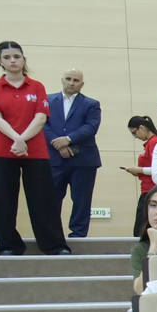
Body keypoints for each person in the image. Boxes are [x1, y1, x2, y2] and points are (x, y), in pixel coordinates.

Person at [0, 41, 71, 255]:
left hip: (34, 150)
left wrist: (22, 139)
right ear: (0, 61)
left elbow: (41, 117)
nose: (12, 61)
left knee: (43, 198)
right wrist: (16, 139)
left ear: (23, 59)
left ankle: (54, 245)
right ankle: (8, 245)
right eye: (7, 57)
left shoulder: (37, 86)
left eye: (16, 56)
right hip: (1, 150)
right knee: (3, 198)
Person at [46, 68, 101, 239]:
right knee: (51, 200)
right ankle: (52, 237)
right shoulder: (47, 100)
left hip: (83, 161)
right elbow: (42, 125)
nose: (71, 83)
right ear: (62, 80)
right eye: (68, 79)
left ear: (82, 84)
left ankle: (78, 237)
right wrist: (58, 144)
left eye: (76, 80)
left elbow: (91, 127)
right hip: (54, 160)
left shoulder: (92, 104)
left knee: (82, 201)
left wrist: (68, 139)